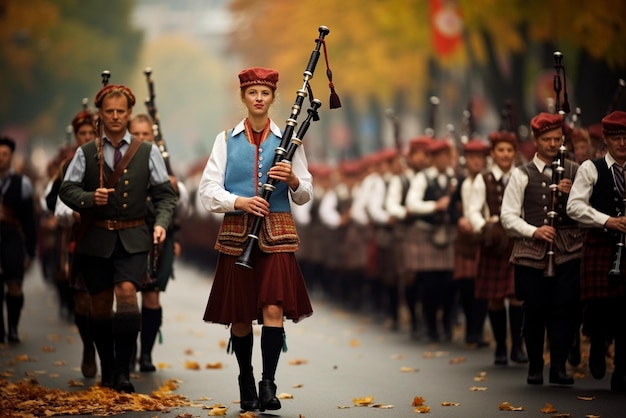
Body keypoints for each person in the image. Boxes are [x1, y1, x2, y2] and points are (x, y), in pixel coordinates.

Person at [197, 67, 313, 412]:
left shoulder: (290, 140)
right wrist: (239, 201)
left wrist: (292, 179)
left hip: (277, 233)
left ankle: (268, 383)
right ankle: (246, 378)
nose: (259, 98)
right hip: (237, 232)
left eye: (264, 93)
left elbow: (306, 192)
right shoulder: (225, 140)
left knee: (273, 306)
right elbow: (207, 191)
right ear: (244, 97)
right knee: (240, 315)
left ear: (273, 98)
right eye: (252, 93)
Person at [59, 84, 177, 393]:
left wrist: (161, 223)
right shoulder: (84, 153)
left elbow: (166, 196)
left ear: (128, 113)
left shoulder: (147, 152)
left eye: (120, 111)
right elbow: (66, 189)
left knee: (127, 293)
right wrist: (89, 197)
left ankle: (124, 371)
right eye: (109, 111)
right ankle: (108, 366)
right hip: (96, 238)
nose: (115, 116)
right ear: (101, 114)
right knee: (99, 305)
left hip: (134, 237)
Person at [501, 112, 581, 385]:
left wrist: (574, 196)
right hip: (531, 253)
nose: (553, 144)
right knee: (535, 308)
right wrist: (533, 230)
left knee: (564, 308)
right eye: (547, 139)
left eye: (557, 139)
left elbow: (589, 212)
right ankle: (535, 365)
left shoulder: (575, 170)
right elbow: (508, 216)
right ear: (535, 140)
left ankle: (558, 367)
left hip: (568, 250)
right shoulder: (521, 175)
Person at [567, 110, 626, 392]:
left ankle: (623, 369)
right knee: (599, 308)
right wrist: (608, 220)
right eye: (616, 138)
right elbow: (574, 207)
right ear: (606, 139)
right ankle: (599, 343)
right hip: (600, 244)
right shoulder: (591, 168)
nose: (623, 143)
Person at [128, 113, 190, 372]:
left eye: (147, 135)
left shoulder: (163, 164)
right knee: (127, 295)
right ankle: (127, 353)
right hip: (131, 234)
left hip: (160, 239)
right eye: (137, 134)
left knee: (152, 297)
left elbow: (181, 210)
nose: (142, 139)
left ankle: (146, 355)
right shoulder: (124, 163)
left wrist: (176, 187)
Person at [46, 109, 98, 378]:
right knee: (83, 302)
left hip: (110, 236)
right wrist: (75, 209)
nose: (88, 137)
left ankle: (114, 355)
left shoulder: (109, 160)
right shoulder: (69, 165)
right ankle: (88, 346)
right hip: (80, 236)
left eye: (92, 132)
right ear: (77, 136)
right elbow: (54, 202)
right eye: (83, 134)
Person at [468, 130, 527, 366]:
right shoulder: (482, 179)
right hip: (492, 243)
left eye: (509, 150)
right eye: (500, 150)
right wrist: (484, 227)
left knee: (516, 295)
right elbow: (473, 209)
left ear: (514, 153)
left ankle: (518, 347)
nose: (505, 154)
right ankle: (500, 347)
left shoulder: (521, 176)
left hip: (516, 240)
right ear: (492, 153)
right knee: (494, 298)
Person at [404, 139, 457, 342]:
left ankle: (446, 322)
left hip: (449, 233)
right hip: (426, 233)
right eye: (440, 156)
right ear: (433, 158)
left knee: (450, 283)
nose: (444, 160)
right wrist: (435, 206)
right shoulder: (422, 178)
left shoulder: (454, 178)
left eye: (447, 155)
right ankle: (431, 324)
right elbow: (412, 204)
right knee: (429, 284)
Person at [451, 138, 489, 348]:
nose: (476, 162)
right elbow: (449, 207)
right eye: (472, 158)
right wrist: (459, 219)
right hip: (465, 240)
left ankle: (479, 330)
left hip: (484, 237)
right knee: (466, 286)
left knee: (481, 286)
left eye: (479, 158)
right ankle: (470, 329)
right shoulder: (461, 182)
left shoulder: (489, 180)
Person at [0, 136, 37, 343]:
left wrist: (30, 251)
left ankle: (13, 327)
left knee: (15, 285)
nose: (1, 158)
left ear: (11, 157)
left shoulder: (21, 183)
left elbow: (29, 220)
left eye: (4, 154)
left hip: (12, 239)